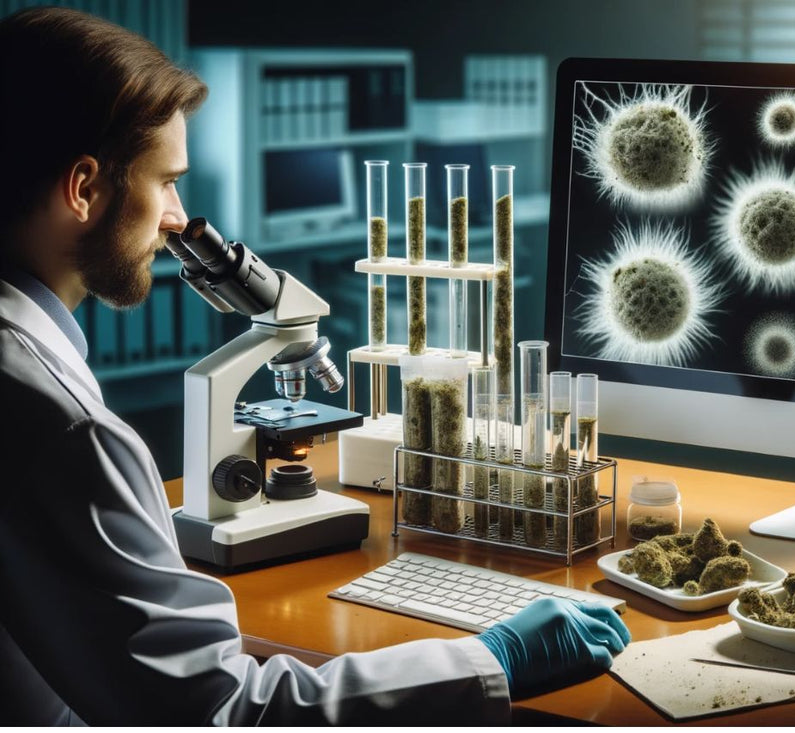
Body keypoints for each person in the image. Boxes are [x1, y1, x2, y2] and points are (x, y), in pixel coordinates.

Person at [0, 7, 629, 726]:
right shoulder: (68, 433)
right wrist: (491, 658)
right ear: (82, 188)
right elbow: (224, 710)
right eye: (166, 181)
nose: (177, 215)